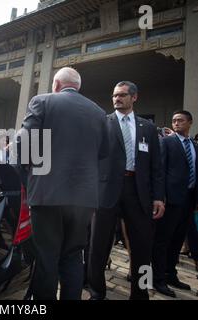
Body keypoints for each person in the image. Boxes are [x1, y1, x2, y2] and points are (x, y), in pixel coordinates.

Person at [20, 67, 109, 300]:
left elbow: (24, 145)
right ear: (77, 86)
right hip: (84, 198)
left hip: (47, 193)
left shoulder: (42, 101)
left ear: (57, 84)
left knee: (47, 255)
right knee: (72, 255)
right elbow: (104, 152)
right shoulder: (99, 112)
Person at [87, 81, 165, 300]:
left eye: (121, 95)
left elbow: (156, 166)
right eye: (114, 95)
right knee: (98, 246)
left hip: (138, 192)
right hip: (106, 191)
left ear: (134, 97)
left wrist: (159, 197)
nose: (116, 99)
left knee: (143, 247)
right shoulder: (102, 123)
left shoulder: (148, 127)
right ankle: (96, 292)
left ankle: (141, 294)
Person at [152, 110, 198, 297]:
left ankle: (171, 274)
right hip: (170, 200)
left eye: (180, 120)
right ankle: (158, 279)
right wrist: (160, 197)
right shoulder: (167, 142)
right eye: (174, 120)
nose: (176, 123)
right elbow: (160, 171)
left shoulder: (194, 146)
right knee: (163, 240)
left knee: (178, 239)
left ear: (190, 122)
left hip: (188, 199)